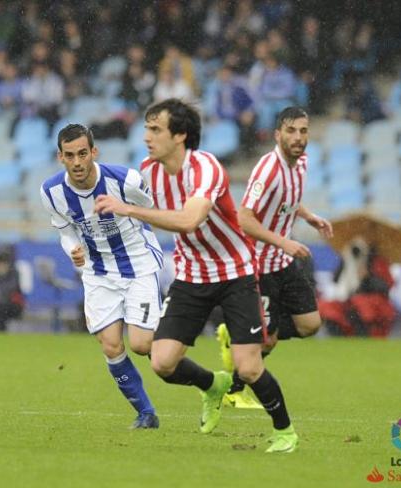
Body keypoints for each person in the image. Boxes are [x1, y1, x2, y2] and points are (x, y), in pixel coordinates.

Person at [94, 99, 298, 452]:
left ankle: (285, 432)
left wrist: (129, 209)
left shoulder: (206, 168)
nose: (146, 136)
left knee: (249, 368)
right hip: (191, 276)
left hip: (235, 274)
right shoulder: (148, 171)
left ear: (181, 135)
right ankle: (212, 385)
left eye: (155, 129)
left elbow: (190, 219)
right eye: (146, 128)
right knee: (162, 361)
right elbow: (111, 198)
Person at [39, 123, 162, 430]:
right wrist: (73, 251)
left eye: (83, 153)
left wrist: (126, 210)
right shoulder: (52, 192)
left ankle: (175, 319)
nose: (77, 162)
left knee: (142, 345)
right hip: (98, 271)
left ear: (94, 151)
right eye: (70, 155)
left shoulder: (127, 179)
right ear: (60, 157)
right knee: (110, 345)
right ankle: (146, 413)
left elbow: (155, 212)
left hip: (138, 263)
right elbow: (66, 233)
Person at [218, 106, 333, 408]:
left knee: (310, 324)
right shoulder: (267, 170)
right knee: (266, 341)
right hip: (258, 267)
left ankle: (243, 334)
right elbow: (244, 218)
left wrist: (308, 216)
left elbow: (289, 199)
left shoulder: (302, 162)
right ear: (277, 134)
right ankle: (233, 389)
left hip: (283, 261)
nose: (298, 137)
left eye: (303, 131)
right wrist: (284, 242)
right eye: (291, 131)